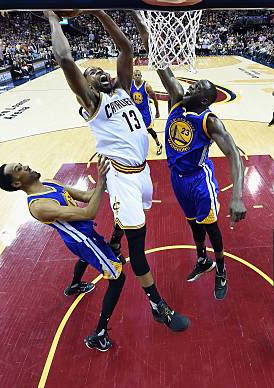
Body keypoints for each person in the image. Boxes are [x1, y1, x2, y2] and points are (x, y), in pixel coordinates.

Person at [45, 10, 188, 332]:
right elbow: (65, 59)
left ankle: (114, 235)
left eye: (100, 69)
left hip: (142, 173)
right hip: (122, 178)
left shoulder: (122, 89)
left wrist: (98, 11)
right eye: (93, 73)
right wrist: (53, 17)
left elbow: (125, 49)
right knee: (138, 247)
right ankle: (157, 305)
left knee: (134, 222)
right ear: (87, 86)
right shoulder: (92, 103)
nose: (101, 73)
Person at [133, 11, 246, 300]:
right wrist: (140, 20)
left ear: (206, 99)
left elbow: (233, 154)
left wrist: (237, 196)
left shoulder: (210, 121)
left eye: (197, 88)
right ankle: (202, 259)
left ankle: (221, 267)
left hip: (199, 179)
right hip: (177, 178)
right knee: (193, 224)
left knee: (210, 226)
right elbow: (160, 63)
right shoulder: (176, 99)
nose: (191, 87)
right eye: (192, 85)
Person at [0, 157, 126, 351]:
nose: (26, 165)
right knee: (118, 278)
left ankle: (75, 285)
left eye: (22, 163)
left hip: (83, 233)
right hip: (83, 240)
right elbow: (89, 212)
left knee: (85, 258)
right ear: (16, 183)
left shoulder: (49, 182)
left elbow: (86, 196)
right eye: (19, 168)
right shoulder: (39, 206)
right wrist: (101, 180)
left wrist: (111, 183)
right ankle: (99, 334)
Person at [131, 69, 163, 155]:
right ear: (133, 77)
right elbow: (130, 97)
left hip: (145, 111)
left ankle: (158, 144)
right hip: (136, 111)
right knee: (136, 130)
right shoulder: (131, 85)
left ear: (141, 76)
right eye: (135, 75)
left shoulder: (147, 86)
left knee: (149, 129)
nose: (137, 76)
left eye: (138, 75)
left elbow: (155, 99)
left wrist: (157, 111)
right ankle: (138, 146)